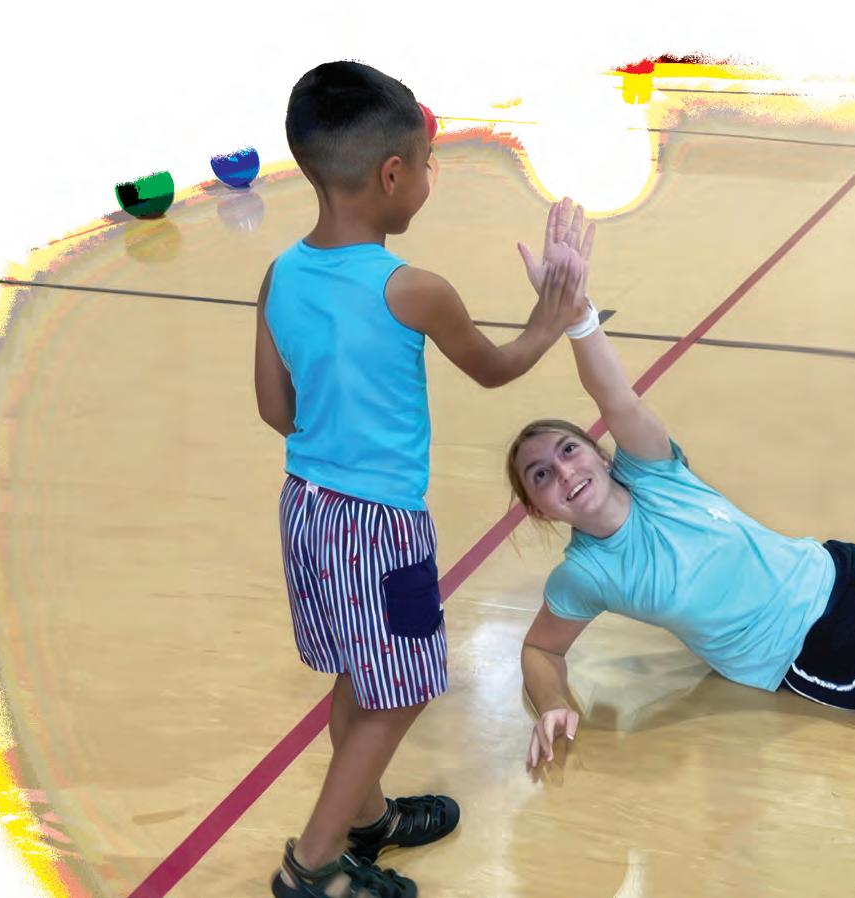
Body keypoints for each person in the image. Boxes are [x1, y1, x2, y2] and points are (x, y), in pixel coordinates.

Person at [254, 61, 588, 897]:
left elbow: (275, 408)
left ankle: (366, 817)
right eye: (430, 162)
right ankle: (312, 866)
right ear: (393, 175)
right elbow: (495, 368)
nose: (432, 175)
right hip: (380, 526)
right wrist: (549, 319)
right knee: (397, 692)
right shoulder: (414, 290)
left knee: (359, 673)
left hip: (306, 509)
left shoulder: (279, 274)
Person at [507, 199, 855, 771]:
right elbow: (540, 648)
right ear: (539, 509)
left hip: (839, 568)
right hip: (811, 644)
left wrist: (578, 316)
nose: (563, 471)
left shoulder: (653, 470)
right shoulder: (585, 574)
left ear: (601, 455)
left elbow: (614, 397)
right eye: (541, 475)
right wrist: (553, 704)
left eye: (569, 450)